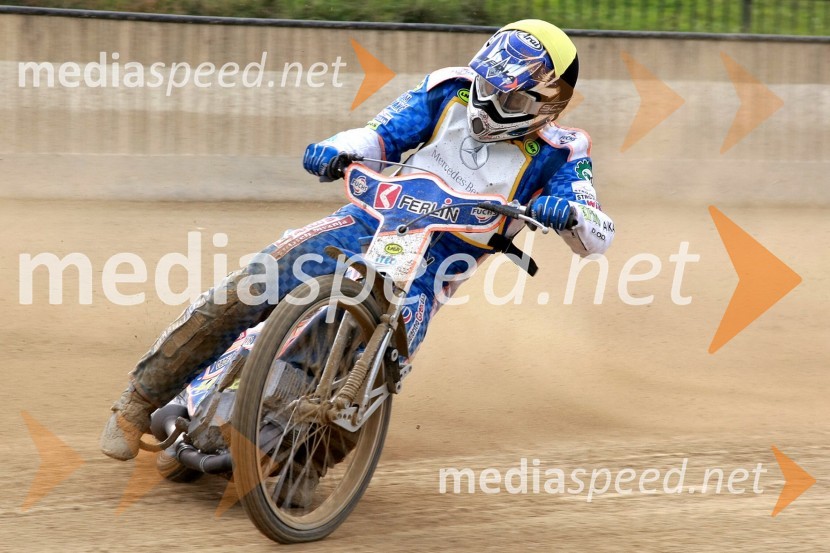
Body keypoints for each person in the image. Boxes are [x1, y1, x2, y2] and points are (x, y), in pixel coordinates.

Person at [100, 19, 615, 461]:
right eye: (490, 84)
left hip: (434, 266)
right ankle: (138, 402)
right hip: (366, 222)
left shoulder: (564, 150)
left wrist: (568, 212)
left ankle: (306, 472)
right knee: (252, 283)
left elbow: (597, 233)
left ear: (553, 100)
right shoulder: (449, 90)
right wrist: (334, 148)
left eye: (515, 95)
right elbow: (380, 134)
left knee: (377, 372)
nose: (494, 101)